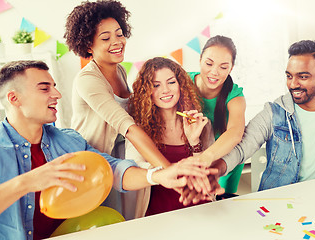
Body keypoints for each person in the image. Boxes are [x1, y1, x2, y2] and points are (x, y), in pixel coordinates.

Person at [0, 60, 212, 240]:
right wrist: (27, 182)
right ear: (14, 98)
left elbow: (114, 170)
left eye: (54, 86)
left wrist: (158, 175)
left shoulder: (68, 141)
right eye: (45, 88)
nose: (57, 93)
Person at [64, 0, 173, 219]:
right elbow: (128, 127)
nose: (117, 41)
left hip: (126, 158)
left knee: (132, 220)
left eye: (119, 34)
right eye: (105, 38)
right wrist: (169, 170)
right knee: (108, 221)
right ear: (87, 45)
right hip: (98, 161)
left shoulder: (120, 70)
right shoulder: (87, 80)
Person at [212, 40, 315, 195]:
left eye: (302, 77)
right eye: (289, 76)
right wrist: (215, 171)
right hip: (279, 203)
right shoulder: (273, 112)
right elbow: (242, 148)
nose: (293, 84)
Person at [127, 57, 220, 216]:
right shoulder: (138, 129)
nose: (165, 90)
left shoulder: (201, 123)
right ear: (147, 91)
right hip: (159, 214)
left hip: (200, 210)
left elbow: (209, 175)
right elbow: (132, 170)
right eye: (156, 85)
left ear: (181, 85)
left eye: (171, 82)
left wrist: (194, 141)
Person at [188, 35, 246, 195]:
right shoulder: (183, 82)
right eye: (209, 63)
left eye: (223, 67)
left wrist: (205, 158)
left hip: (222, 158)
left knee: (221, 204)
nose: (214, 72)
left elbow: (235, 133)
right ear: (200, 60)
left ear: (231, 68)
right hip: (192, 155)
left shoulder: (235, 96)